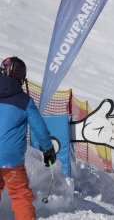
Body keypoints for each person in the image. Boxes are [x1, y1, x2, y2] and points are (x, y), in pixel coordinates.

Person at [0, 56, 56, 220]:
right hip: (11, 160)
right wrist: (48, 150)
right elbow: (40, 129)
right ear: (22, 78)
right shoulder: (24, 101)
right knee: (20, 195)